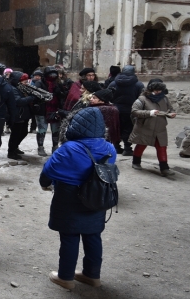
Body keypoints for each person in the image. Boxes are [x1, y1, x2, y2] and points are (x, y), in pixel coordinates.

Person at [39, 107, 116, 289]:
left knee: (70, 236)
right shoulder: (109, 147)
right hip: (98, 196)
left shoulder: (69, 149)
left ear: (74, 126)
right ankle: (92, 275)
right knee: (93, 236)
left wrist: (45, 183)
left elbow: (48, 172)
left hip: (69, 196)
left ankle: (65, 277)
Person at [129, 79, 177, 177]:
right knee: (142, 144)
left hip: (160, 127)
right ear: (150, 89)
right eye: (155, 90)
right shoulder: (142, 99)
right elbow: (134, 111)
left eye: (159, 90)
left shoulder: (164, 99)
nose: (157, 92)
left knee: (162, 147)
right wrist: (149, 113)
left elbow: (170, 109)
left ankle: (164, 168)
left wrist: (171, 114)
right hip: (145, 126)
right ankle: (136, 162)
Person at [108, 65, 144, 156]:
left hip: (115, 109)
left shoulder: (113, 83)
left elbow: (108, 95)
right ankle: (127, 148)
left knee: (117, 128)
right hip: (130, 110)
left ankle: (116, 147)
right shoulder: (138, 84)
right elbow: (142, 98)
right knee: (128, 128)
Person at [7, 71, 35, 160]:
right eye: (24, 81)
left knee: (23, 132)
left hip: (23, 114)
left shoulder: (20, 88)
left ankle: (15, 147)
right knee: (16, 134)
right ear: (18, 81)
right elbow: (18, 101)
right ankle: (11, 151)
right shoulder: (13, 89)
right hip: (17, 115)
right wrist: (32, 97)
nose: (26, 83)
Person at [41, 66, 67, 153]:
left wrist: (59, 92)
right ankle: (40, 147)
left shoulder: (58, 83)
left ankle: (55, 147)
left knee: (55, 129)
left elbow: (63, 96)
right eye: (50, 74)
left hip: (55, 108)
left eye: (54, 74)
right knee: (42, 129)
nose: (52, 76)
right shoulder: (41, 83)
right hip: (43, 109)